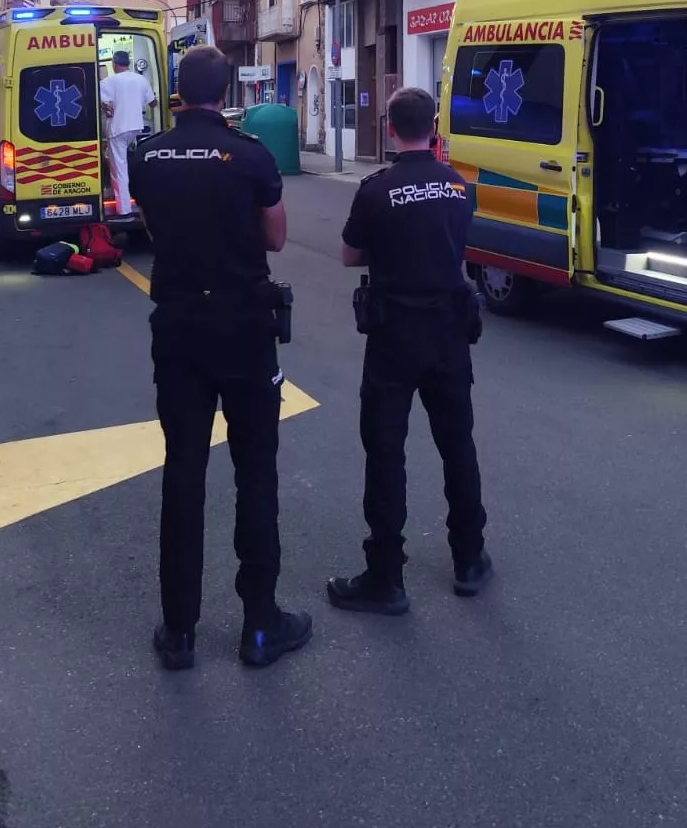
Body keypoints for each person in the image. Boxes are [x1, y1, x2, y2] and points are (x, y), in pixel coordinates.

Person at [128, 44, 311, 672]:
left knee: (183, 472)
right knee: (256, 471)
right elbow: (277, 236)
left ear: (178, 92)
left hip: (178, 325)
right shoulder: (250, 156)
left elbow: (152, 227)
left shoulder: (145, 155)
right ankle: (261, 624)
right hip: (244, 325)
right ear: (226, 92)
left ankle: (179, 630)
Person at [328, 86, 490, 616]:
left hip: (395, 333)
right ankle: (470, 558)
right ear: (434, 127)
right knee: (457, 444)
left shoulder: (377, 189)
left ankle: (386, 578)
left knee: (385, 450)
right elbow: (456, 242)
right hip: (448, 328)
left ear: (390, 129)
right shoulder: (457, 185)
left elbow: (351, 254)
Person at [99, 49, 155, 216]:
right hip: (135, 127)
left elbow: (95, 98)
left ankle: (124, 210)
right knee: (126, 163)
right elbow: (153, 103)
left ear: (114, 64)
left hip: (118, 129)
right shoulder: (141, 79)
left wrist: (105, 106)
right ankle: (133, 199)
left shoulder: (109, 81)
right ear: (128, 63)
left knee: (119, 170)